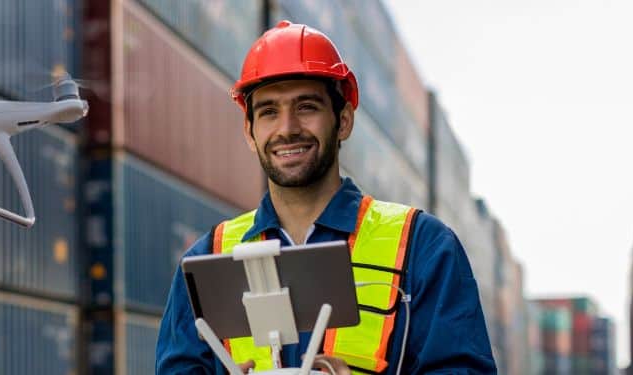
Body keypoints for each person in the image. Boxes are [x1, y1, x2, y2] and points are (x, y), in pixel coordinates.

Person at [155, 21, 496, 374]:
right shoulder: (208, 258)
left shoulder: (422, 246)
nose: (287, 129)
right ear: (250, 132)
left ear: (343, 121)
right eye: (269, 111)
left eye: (306, 107)